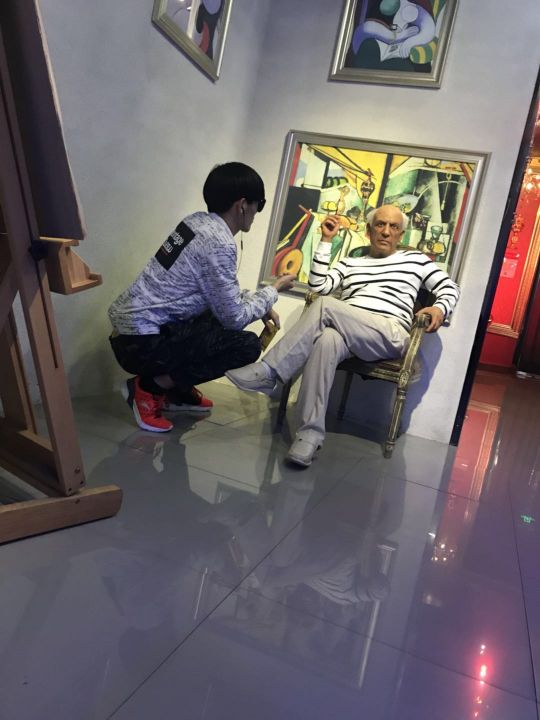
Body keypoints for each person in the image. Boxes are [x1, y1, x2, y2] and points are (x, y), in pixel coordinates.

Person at [226, 204, 460, 466]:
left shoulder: (415, 261)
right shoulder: (351, 262)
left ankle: (269, 371)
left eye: (393, 227)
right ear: (369, 230)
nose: (386, 231)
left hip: (389, 331)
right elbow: (319, 286)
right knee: (327, 340)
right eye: (380, 224)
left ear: (401, 234)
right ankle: (309, 435)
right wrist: (326, 241)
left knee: (326, 306)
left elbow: (449, 288)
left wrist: (440, 308)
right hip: (347, 330)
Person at [108, 162, 295, 432]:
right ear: (243, 205)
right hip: (141, 345)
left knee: (214, 316)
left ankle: (177, 391)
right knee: (246, 346)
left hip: (129, 333)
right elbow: (233, 318)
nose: (257, 213)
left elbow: (217, 291)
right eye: (259, 204)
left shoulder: (195, 222)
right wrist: (273, 291)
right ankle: (149, 388)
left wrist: (259, 300)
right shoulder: (219, 242)